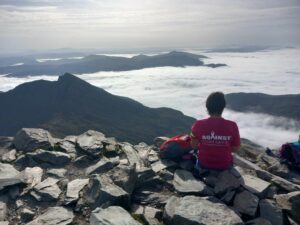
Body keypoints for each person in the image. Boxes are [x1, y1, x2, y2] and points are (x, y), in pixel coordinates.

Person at [191, 92, 240, 171]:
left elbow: (194, 146)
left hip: (204, 164)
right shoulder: (232, 125)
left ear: (207, 107)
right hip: (224, 165)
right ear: (223, 107)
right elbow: (236, 148)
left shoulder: (198, 124)